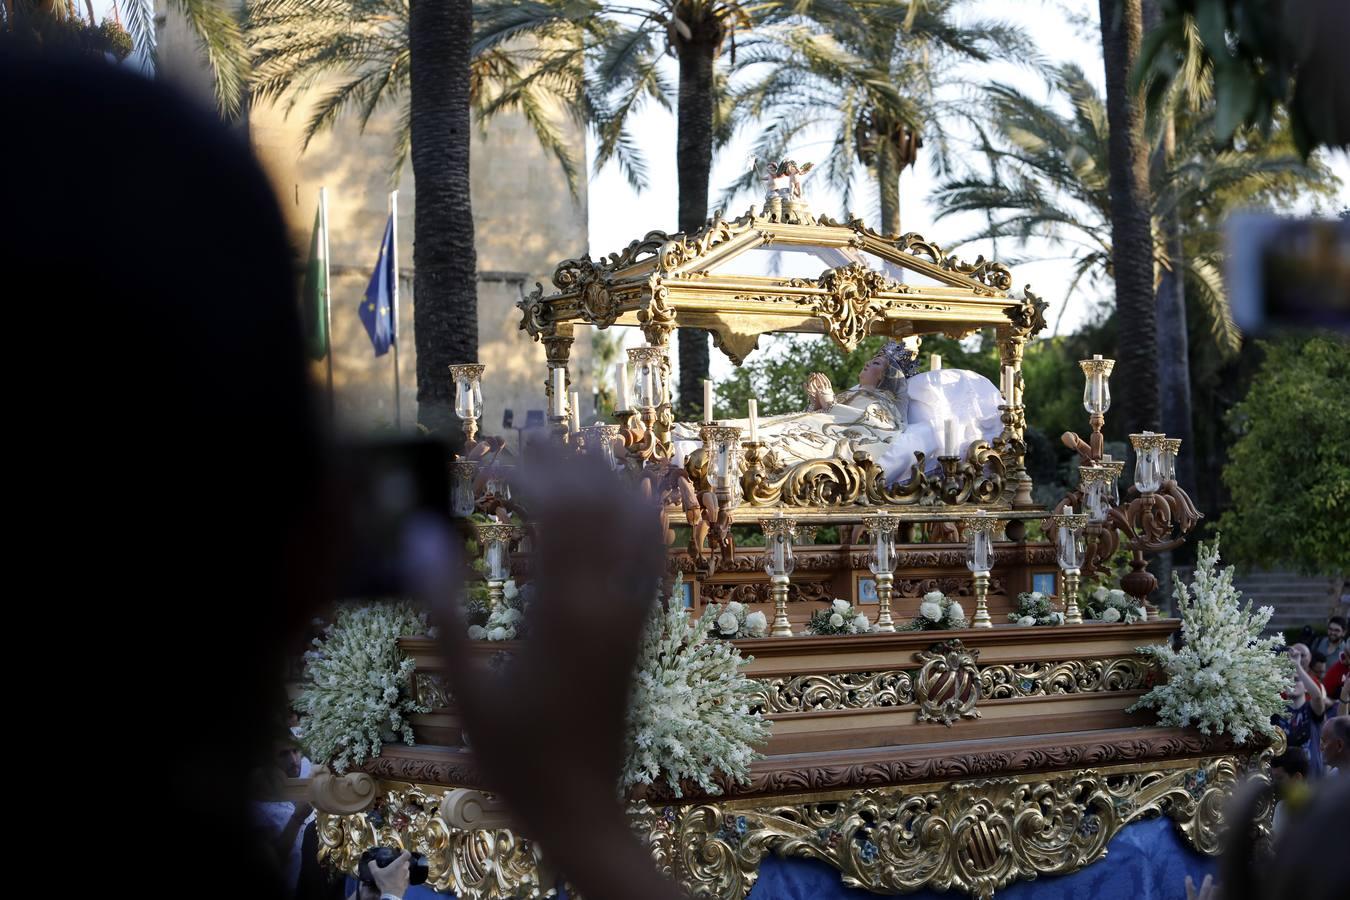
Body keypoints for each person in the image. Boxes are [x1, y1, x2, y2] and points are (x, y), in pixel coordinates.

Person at [1274, 644, 1329, 775]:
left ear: (1306, 686)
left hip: (1313, 778)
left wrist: (1298, 666)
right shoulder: (1277, 712)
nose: (1292, 681)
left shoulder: (1311, 709)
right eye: (1288, 678)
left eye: (1297, 679)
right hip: (1287, 781)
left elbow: (1317, 697)